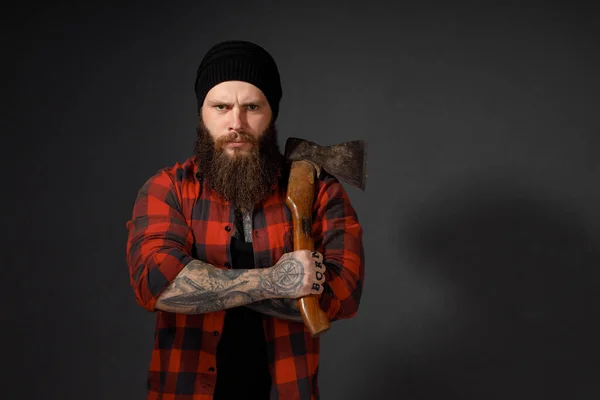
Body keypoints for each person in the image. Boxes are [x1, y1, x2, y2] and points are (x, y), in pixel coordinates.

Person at [125, 40, 365, 400]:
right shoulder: (168, 189)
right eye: (220, 106)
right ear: (202, 113)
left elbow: (343, 295)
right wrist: (278, 281)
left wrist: (205, 282)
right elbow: (157, 283)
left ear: (272, 114)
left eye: (252, 107)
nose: (236, 123)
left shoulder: (317, 192)